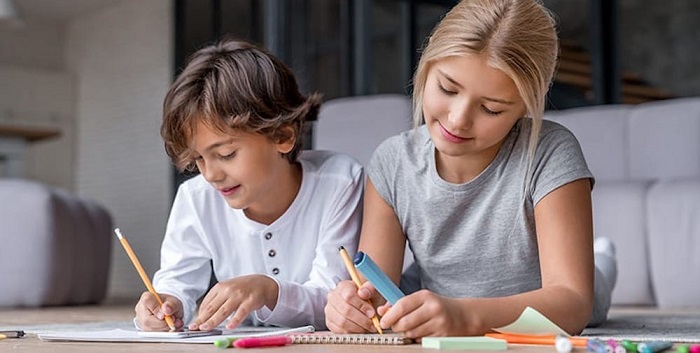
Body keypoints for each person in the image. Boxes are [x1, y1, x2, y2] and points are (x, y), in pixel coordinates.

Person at [324, 0, 617, 338]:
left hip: (547, 301)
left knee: (597, 282)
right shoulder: (393, 163)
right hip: (442, 297)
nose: (458, 119)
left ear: (526, 107)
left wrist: (463, 315)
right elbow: (376, 291)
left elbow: (573, 304)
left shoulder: (550, 151)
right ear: (426, 68)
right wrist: (353, 309)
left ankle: (602, 256)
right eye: (447, 89)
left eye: (491, 109)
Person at [134, 39, 364, 332]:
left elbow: (336, 301)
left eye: (226, 154)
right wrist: (166, 303)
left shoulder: (340, 182)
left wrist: (267, 289)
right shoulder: (196, 198)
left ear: (283, 135)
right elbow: (176, 281)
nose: (210, 175)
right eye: (198, 159)